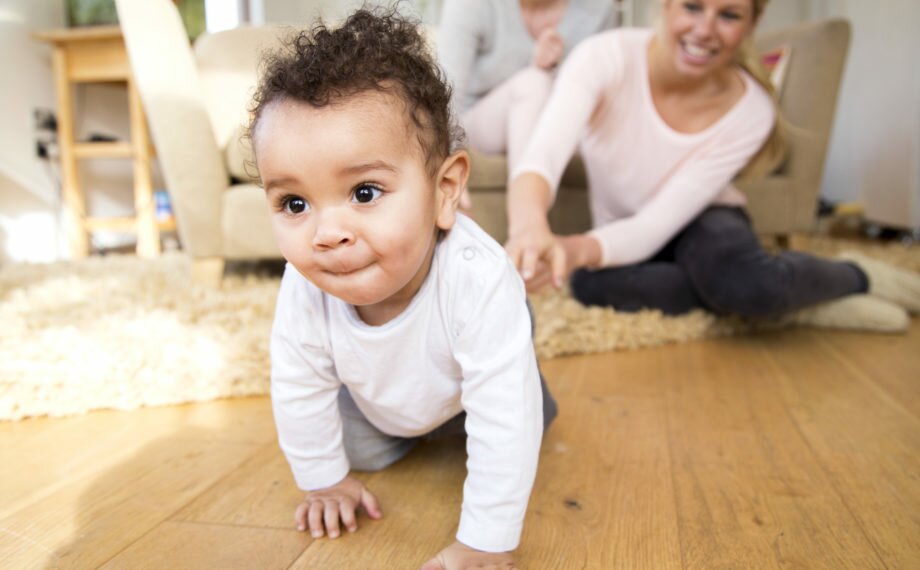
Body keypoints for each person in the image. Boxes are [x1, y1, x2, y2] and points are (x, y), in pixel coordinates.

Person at [248, 9, 557, 570]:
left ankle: (517, 385)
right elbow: (298, 382)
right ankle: (418, 425)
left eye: (364, 192)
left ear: (445, 191)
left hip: (469, 374)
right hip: (385, 396)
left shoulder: (476, 275)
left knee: (514, 419)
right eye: (295, 204)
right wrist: (324, 482)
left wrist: (485, 542)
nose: (328, 234)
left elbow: (505, 424)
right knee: (352, 450)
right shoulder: (305, 283)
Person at [504, 0, 920, 330]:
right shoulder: (604, 56)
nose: (704, 29)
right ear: (666, 5)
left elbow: (657, 224)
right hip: (624, 227)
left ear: (751, 25)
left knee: (740, 280)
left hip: (707, 218)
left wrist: (571, 246)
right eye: (692, 6)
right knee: (589, 282)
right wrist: (532, 230)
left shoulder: (753, 112)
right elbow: (542, 158)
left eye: (729, 15)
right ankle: (785, 303)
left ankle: (856, 276)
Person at [437, 0, 617, 201]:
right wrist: (448, 170)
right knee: (533, 83)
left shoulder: (599, 10)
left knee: (539, 84)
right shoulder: (471, 5)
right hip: (479, 121)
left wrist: (553, 68)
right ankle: (525, 219)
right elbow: (446, 97)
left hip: (557, 122)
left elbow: (601, 102)